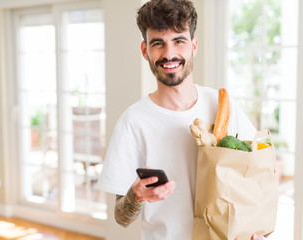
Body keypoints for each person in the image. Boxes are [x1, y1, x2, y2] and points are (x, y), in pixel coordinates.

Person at [97, 0, 267, 239]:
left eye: (179, 41)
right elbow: (121, 217)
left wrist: (256, 230)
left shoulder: (221, 106)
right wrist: (136, 196)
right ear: (145, 50)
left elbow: (257, 175)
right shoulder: (133, 122)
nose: (169, 54)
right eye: (158, 43)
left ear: (193, 45)